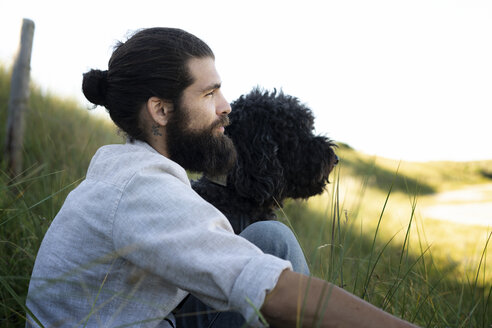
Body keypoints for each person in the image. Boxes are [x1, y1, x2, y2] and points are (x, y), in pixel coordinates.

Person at [25, 27, 419, 328]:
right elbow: (268, 287)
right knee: (270, 266)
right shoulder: (142, 190)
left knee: (270, 238)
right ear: (161, 111)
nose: (225, 108)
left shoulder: (138, 173)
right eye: (209, 94)